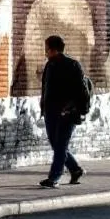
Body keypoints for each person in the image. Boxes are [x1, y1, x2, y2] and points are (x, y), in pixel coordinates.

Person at [39, 35, 87, 188]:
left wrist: (74, 108)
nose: (45, 52)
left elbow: (81, 90)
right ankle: (75, 169)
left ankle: (54, 178)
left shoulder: (72, 65)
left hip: (67, 113)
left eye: (46, 49)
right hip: (50, 112)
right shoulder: (49, 65)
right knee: (57, 144)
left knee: (60, 145)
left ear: (53, 50)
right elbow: (46, 89)